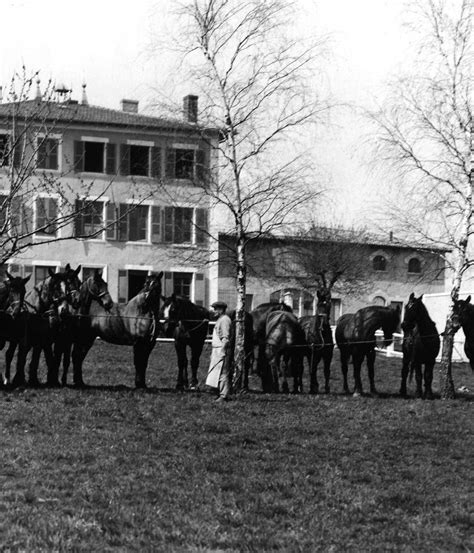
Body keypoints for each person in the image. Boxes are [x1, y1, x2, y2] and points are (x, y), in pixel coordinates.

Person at [206, 301, 232, 402]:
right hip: (217, 349)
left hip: (221, 348)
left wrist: (222, 351)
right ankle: (218, 392)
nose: (214, 311)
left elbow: (225, 338)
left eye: (216, 309)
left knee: (223, 373)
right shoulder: (220, 319)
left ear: (221, 310)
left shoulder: (224, 320)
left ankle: (223, 395)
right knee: (217, 372)